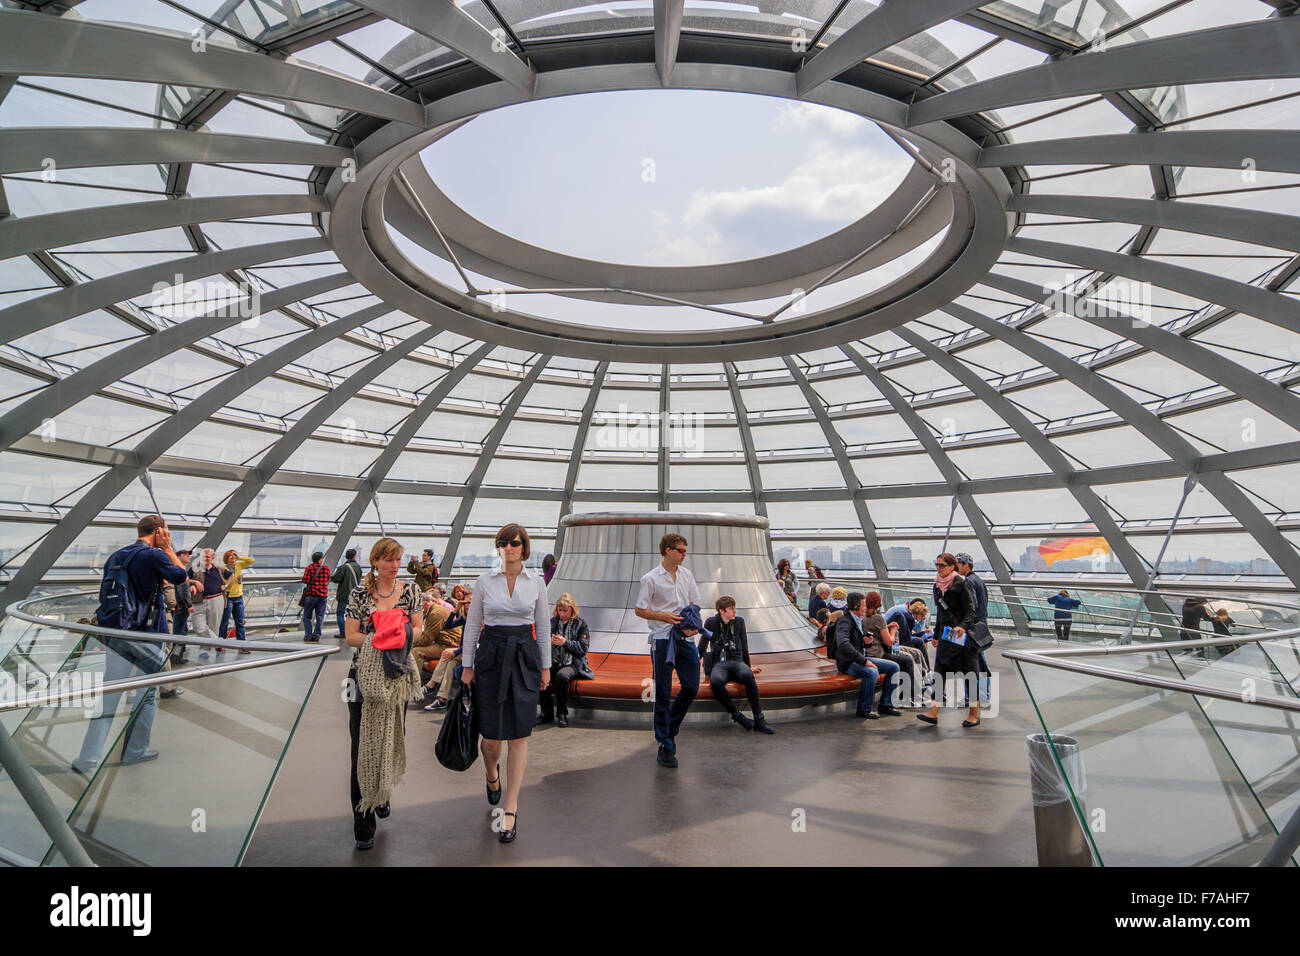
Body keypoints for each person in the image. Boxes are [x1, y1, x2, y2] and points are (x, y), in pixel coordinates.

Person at [73, 515, 189, 774]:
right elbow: (180, 576)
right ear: (159, 532)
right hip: (148, 635)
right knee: (146, 695)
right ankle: (135, 751)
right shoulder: (154, 555)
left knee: (110, 695)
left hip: (118, 634)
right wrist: (168, 549)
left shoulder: (116, 556)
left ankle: (88, 757)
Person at [461, 523, 550, 844]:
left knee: (519, 735)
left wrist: (546, 666)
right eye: (503, 543)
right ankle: (491, 774)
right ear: (498, 547)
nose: (509, 547)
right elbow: (472, 626)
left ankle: (511, 805)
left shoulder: (537, 583)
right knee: (491, 739)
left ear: (523, 548)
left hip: (525, 656)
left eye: (514, 543)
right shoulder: (485, 581)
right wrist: (467, 665)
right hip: (492, 656)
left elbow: (542, 625)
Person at [344, 537, 423, 850]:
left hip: (397, 677)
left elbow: (419, 630)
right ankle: (363, 822)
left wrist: (398, 634)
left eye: (398, 560)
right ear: (375, 561)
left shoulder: (411, 591)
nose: (394, 565)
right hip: (362, 676)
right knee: (361, 747)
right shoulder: (360, 593)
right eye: (388, 559)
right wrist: (378, 640)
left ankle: (383, 792)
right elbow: (351, 636)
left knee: (391, 739)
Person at [635, 532, 703, 769]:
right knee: (662, 692)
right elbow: (640, 609)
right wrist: (662, 616)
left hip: (684, 638)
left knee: (692, 686)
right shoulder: (650, 579)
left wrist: (692, 625)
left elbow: (694, 603)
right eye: (681, 550)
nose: (685, 554)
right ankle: (665, 744)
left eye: (685, 550)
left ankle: (669, 728)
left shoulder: (687, 575)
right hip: (662, 639)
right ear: (668, 551)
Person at [918, 553, 980, 728]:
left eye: (942, 565)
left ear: (952, 567)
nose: (939, 568)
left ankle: (974, 713)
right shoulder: (937, 586)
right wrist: (936, 635)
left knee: (970, 674)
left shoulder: (961, 584)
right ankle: (934, 711)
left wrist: (963, 626)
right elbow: (940, 614)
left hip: (962, 637)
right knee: (940, 672)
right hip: (946, 635)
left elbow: (970, 611)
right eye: (936, 565)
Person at [700, 596, 774, 734]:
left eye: (734, 608)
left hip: (737, 661)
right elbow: (702, 645)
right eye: (731, 609)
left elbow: (745, 646)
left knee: (748, 676)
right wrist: (693, 666)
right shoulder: (711, 623)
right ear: (722, 611)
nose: (734, 611)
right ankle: (738, 716)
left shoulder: (739, 622)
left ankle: (759, 719)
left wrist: (748, 665)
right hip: (720, 663)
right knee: (716, 681)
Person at [832, 592, 893, 719]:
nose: (865, 608)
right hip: (848, 662)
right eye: (863, 605)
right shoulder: (844, 622)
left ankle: (886, 704)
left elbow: (855, 644)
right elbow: (843, 644)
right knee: (871, 672)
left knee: (894, 667)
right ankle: (864, 709)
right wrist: (864, 661)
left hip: (859, 658)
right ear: (855, 607)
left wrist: (866, 643)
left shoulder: (858, 620)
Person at [537, 592, 592, 727]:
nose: (562, 614)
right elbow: (541, 640)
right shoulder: (552, 622)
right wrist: (549, 641)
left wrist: (565, 642)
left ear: (572, 609)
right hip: (553, 659)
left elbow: (583, 648)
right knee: (542, 675)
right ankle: (546, 712)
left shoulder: (580, 624)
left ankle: (562, 713)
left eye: (565, 611)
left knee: (562, 677)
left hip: (572, 662)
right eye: (560, 610)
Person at [860, 591, 917, 708]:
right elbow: (889, 641)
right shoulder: (878, 618)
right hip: (878, 654)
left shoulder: (863, 617)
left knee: (903, 661)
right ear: (878, 603)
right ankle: (907, 697)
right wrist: (893, 630)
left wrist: (887, 626)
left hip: (867, 653)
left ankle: (903, 696)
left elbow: (876, 632)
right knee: (906, 660)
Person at [954, 553, 992, 706]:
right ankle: (981, 695)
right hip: (980, 624)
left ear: (966, 564)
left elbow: (972, 606)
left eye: (957, 564)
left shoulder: (968, 581)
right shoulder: (979, 581)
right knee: (979, 660)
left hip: (972, 628)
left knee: (972, 661)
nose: (956, 568)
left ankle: (975, 696)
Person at [412, 590, 464, 697]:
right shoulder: (434, 611)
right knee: (416, 649)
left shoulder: (435, 613)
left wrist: (411, 644)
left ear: (424, 603)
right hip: (446, 643)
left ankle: (414, 685)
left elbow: (427, 638)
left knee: (416, 652)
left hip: (449, 645)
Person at [219, 549, 255, 652]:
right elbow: (224, 583)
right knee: (225, 622)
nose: (233, 559)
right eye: (231, 557)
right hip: (228, 597)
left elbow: (251, 560)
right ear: (227, 559)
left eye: (234, 557)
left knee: (240, 622)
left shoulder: (238, 566)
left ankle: (242, 646)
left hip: (239, 597)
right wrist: (236, 578)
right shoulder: (223, 569)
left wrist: (239, 557)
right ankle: (221, 644)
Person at [192, 548, 226, 658]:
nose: (205, 558)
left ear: (212, 558)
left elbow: (231, 575)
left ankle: (204, 651)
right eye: (203, 556)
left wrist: (225, 585)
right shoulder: (195, 568)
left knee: (214, 627)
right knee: (199, 626)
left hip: (216, 600)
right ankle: (218, 643)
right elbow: (184, 579)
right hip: (199, 602)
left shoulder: (218, 569)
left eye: (207, 556)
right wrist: (194, 582)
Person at [885, 599, 932, 669]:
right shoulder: (910, 619)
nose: (923, 618)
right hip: (897, 638)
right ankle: (927, 668)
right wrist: (921, 634)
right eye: (922, 616)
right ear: (918, 613)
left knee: (920, 640)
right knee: (920, 641)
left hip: (894, 634)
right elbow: (908, 636)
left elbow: (908, 633)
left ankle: (926, 668)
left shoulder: (907, 615)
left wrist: (922, 633)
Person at [331, 547, 363, 638]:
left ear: (346, 557)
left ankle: (343, 632)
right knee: (353, 614)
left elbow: (336, 579)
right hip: (355, 594)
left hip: (344, 594)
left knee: (340, 613)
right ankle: (352, 631)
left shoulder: (343, 567)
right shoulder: (358, 568)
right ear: (354, 556)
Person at [301, 550, 331, 643]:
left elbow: (305, 580)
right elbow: (328, 578)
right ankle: (317, 635)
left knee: (307, 616)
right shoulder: (325, 569)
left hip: (311, 595)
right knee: (320, 616)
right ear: (320, 560)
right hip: (322, 596)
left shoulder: (309, 568)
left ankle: (308, 635)